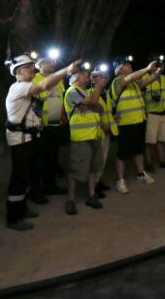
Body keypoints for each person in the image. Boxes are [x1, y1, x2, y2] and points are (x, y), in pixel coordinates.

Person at [5, 54, 78, 230]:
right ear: (18, 71)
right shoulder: (19, 87)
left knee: (26, 175)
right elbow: (45, 84)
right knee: (19, 177)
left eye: (32, 66)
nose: (33, 68)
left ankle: (22, 209)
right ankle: (13, 218)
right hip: (21, 139)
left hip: (29, 137)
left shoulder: (25, 86)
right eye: (29, 66)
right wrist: (67, 70)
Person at [62, 64, 107, 215]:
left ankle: (91, 195)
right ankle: (70, 200)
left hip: (94, 135)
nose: (88, 76)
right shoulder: (72, 92)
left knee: (93, 168)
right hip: (81, 137)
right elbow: (94, 103)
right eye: (84, 74)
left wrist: (96, 94)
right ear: (75, 77)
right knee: (76, 170)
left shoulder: (86, 91)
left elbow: (99, 109)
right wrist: (99, 86)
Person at [110, 56, 157, 194]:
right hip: (125, 123)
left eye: (129, 63)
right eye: (126, 64)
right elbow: (129, 78)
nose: (130, 65)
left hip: (138, 120)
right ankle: (120, 180)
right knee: (123, 153)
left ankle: (141, 173)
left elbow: (148, 80)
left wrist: (157, 72)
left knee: (138, 150)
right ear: (119, 68)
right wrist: (147, 69)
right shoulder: (117, 81)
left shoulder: (134, 82)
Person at [31, 56, 69, 199]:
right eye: (48, 62)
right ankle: (37, 189)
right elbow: (33, 100)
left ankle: (50, 185)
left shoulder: (57, 78)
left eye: (53, 61)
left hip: (56, 124)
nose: (52, 64)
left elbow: (61, 98)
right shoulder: (35, 78)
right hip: (42, 125)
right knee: (39, 158)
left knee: (53, 157)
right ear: (40, 65)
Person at [143, 56, 165, 170]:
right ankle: (149, 163)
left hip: (164, 113)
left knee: (162, 139)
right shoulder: (145, 78)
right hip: (151, 113)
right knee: (150, 141)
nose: (159, 67)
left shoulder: (164, 78)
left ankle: (162, 161)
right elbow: (141, 96)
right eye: (156, 64)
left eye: (160, 64)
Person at [91, 64, 117, 195]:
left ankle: (98, 181)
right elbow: (92, 112)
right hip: (97, 132)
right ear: (94, 78)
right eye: (102, 77)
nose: (105, 80)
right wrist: (102, 124)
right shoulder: (91, 92)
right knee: (96, 160)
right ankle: (93, 187)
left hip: (106, 132)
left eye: (106, 77)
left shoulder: (106, 93)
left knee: (103, 159)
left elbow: (107, 111)